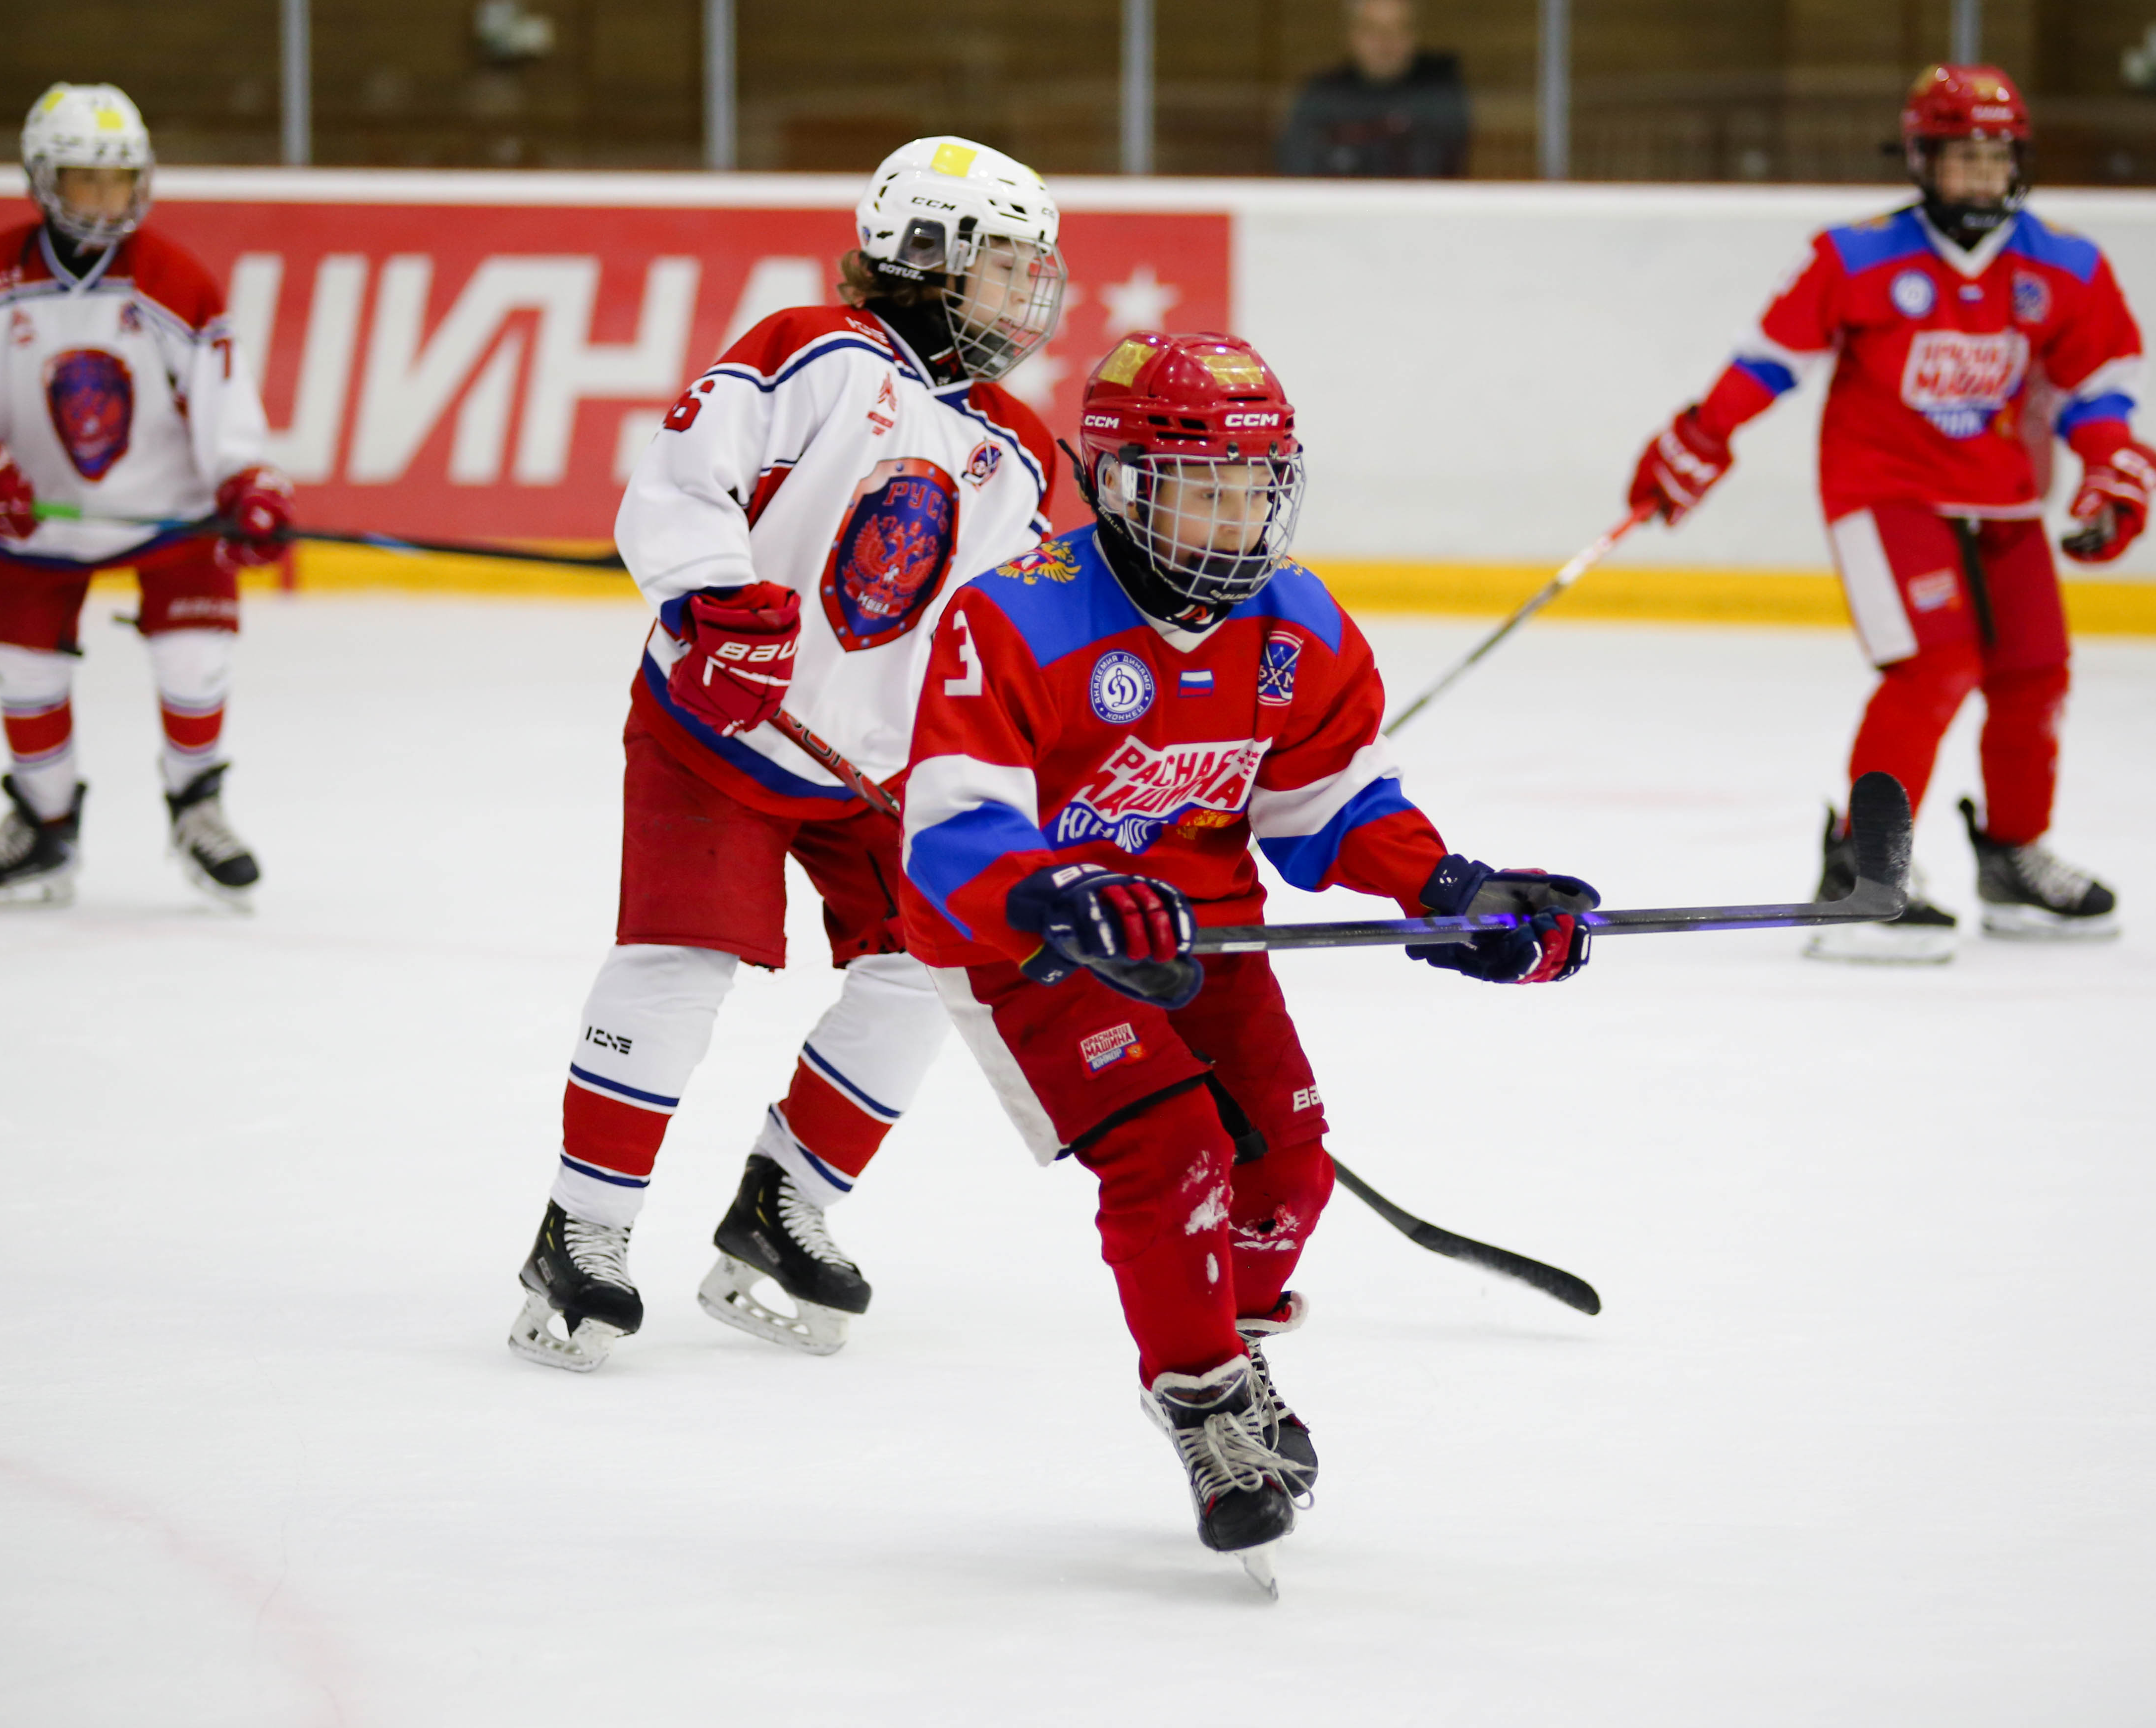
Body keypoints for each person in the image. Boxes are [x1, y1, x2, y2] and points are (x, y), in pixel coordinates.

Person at [898, 330, 1593, 1580]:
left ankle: (1231, 1339)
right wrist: (1063, 891)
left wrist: (1448, 890)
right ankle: (1207, 1401)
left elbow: (1328, 805)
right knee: (1172, 1150)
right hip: (1035, 946)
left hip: (1207, 928)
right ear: (1120, 488)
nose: (1235, 518)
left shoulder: (1296, 621)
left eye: (1254, 486)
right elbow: (952, 831)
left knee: (1287, 1161)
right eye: (1201, 490)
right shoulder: (1013, 616)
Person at [507, 136, 1067, 1372]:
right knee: (679, 960)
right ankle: (582, 1229)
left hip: (876, 763)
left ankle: (784, 1200)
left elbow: (1005, 637)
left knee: (935, 967)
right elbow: (679, 484)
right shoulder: (812, 352)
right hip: (716, 730)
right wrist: (715, 598)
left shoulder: (1020, 450)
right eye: (1003, 262)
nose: (1026, 290)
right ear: (926, 255)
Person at [1627, 64, 2156, 964]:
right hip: (1884, 492)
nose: (1982, 177)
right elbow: (1771, 357)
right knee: (1934, 666)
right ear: (1922, 161)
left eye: (1997, 157)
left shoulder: (2065, 264)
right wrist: (1704, 433)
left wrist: (2110, 464)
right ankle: (1862, 870)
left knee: (2035, 671)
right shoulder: (1856, 255)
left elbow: (2097, 382)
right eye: (1963, 158)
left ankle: (2013, 856)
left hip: (2002, 496)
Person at [0, 83, 289, 910]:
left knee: (195, 653)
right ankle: (44, 826)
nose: (104, 199)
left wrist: (247, 481)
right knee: (24, 669)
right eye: (85, 180)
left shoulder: (173, 280)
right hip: (39, 515)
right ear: (42, 178)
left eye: (119, 181)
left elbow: (222, 395)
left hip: (169, 509)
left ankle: (197, 806)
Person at [1275, 0, 1470, 179]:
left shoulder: (1438, 97)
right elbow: (1298, 171)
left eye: (1399, 29)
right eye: (1373, 29)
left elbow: (1439, 170)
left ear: (1414, 35)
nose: (1385, 42)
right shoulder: (1322, 98)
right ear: (1351, 34)